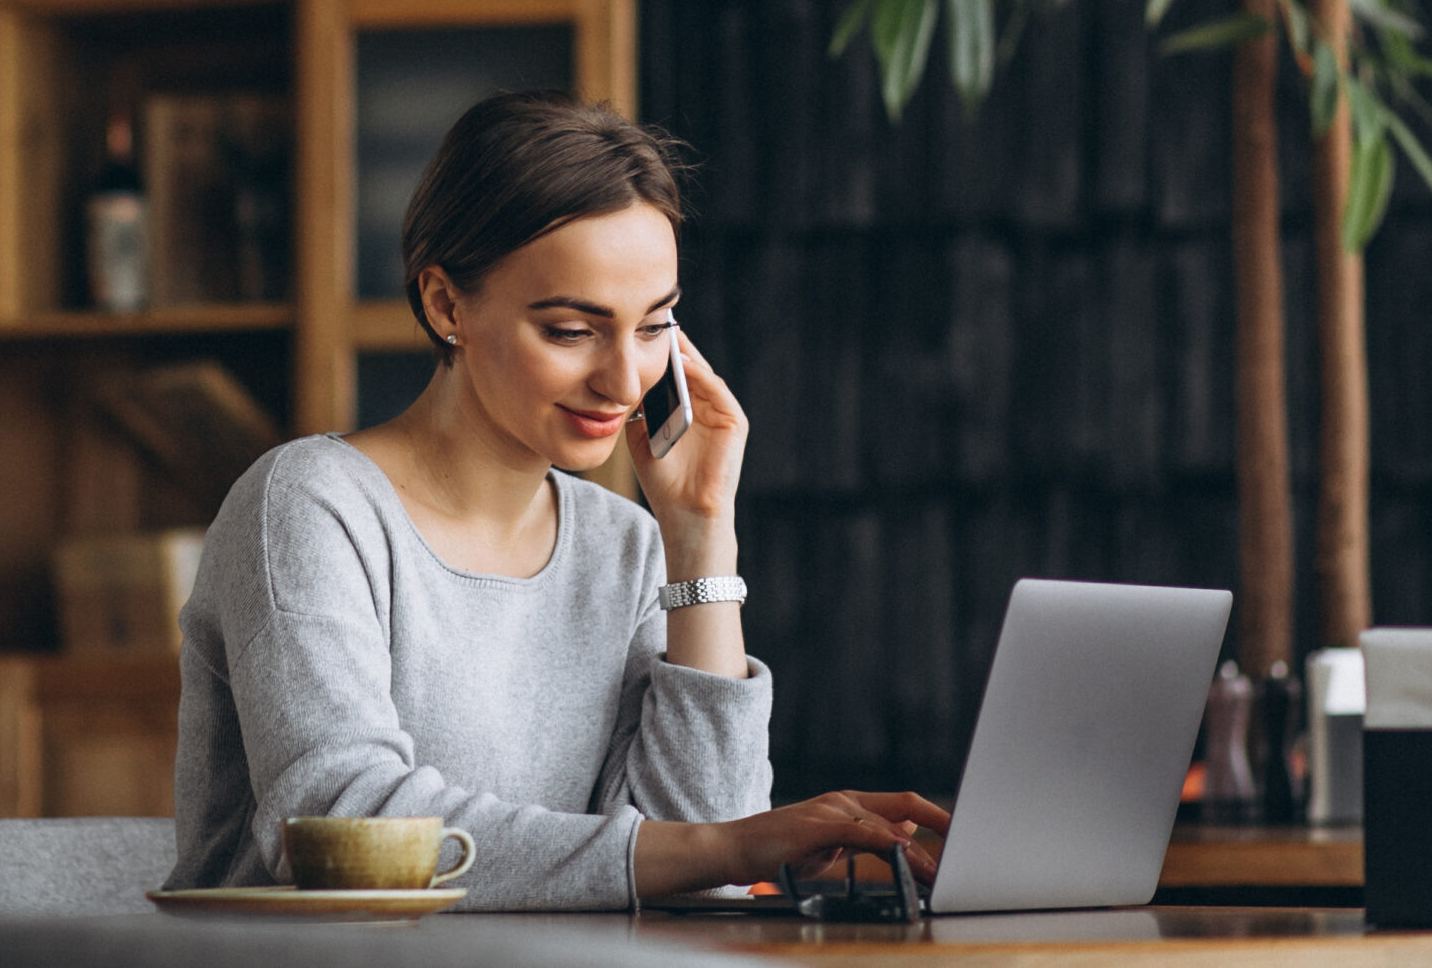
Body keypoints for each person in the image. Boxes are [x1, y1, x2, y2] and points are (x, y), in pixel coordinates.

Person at [169, 90, 948, 909]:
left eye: (654, 325)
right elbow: (342, 824)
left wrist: (700, 536)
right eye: (573, 330)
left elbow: (698, 860)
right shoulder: (308, 506)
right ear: (446, 304)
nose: (624, 379)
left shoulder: (627, 545)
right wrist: (726, 845)